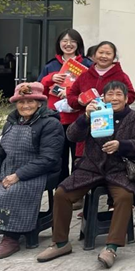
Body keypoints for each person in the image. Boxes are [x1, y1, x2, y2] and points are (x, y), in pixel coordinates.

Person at [36, 81, 135, 268]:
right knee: (62, 193)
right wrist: (85, 117)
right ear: (103, 97)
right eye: (110, 94)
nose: (114, 98)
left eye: (118, 95)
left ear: (126, 98)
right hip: (90, 167)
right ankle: (60, 243)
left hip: (120, 169)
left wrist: (121, 146)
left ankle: (111, 247)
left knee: (124, 197)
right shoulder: (95, 113)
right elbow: (72, 136)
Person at [0, 82, 64, 259]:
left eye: (30, 101)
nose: (25, 106)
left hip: (40, 172)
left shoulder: (50, 124)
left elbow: (48, 159)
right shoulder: (11, 122)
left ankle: (11, 238)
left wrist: (18, 175)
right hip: (9, 169)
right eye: (21, 102)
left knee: (11, 191)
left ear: (39, 103)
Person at [38, 28, 93, 181]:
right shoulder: (51, 65)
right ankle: (60, 187)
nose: (68, 44)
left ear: (78, 44)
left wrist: (70, 93)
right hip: (56, 118)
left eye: (72, 41)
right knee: (58, 156)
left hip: (79, 118)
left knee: (78, 156)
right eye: (65, 41)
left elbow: (93, 89)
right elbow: (39, 90)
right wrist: (50, 78)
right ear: (59, 43)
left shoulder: (87, 64)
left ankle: (76, 187)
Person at [67, 42, 135, 114]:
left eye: (108, 53)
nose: (103, 56)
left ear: (114, 57)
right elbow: (71, 95)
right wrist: (78, 101)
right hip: (88, 117)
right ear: (94, 54)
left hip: (114, 117)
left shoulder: (121, 76)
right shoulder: (84, 76)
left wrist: (114, 101)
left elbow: (131, 95)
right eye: (100, 52)